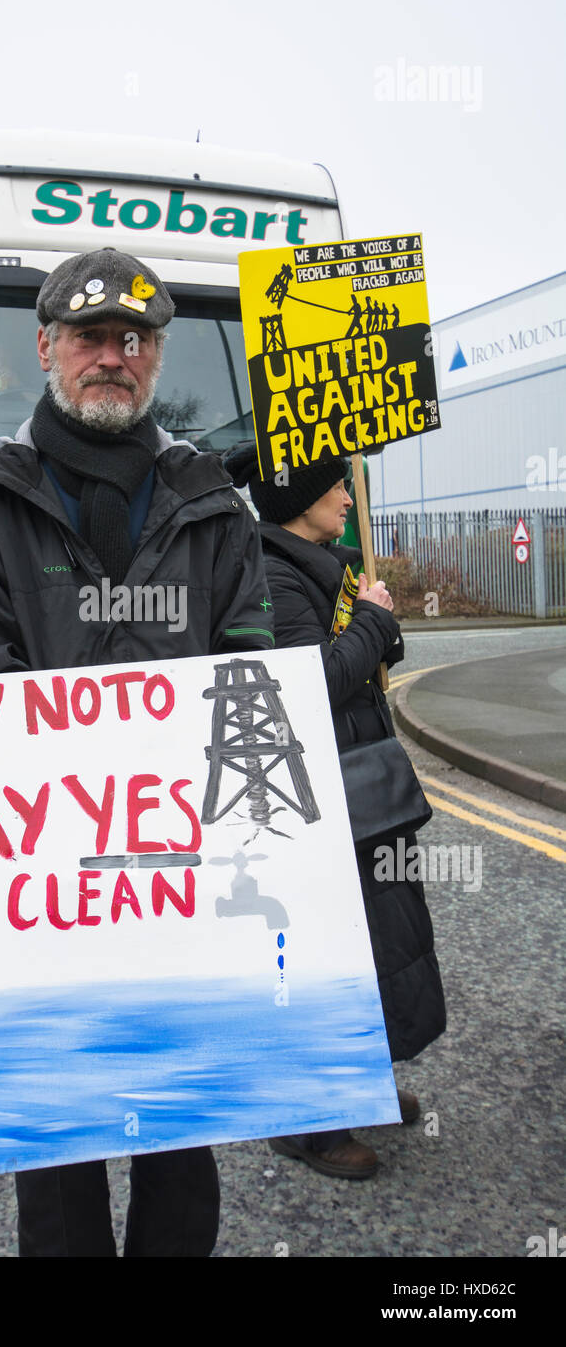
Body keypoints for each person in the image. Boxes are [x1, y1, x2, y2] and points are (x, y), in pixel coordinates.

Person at [0, 247, 275, 1255]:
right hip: (42, 885)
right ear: (45, 347)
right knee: (58, 1157)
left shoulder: (214, 502)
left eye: (134, 339)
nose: (111, 357)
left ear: (157, 356)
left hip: (184, 879)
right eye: (88, 337)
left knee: (181, 1144)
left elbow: (249, 670)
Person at [222, 443, 446, 1180]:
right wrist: (371, 627)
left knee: (368, 941)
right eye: (335, 488)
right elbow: (307, 688)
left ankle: (359, 1087)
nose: (349, 500)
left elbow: (358, 658)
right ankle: (308, 1126)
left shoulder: (321, 563)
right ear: (296, 501)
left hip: (357, 787)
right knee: (323, 951)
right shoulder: (273, 576)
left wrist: (379, 622)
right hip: (318, 801)